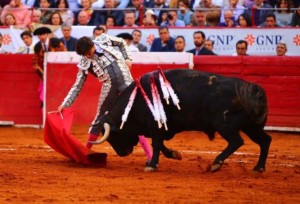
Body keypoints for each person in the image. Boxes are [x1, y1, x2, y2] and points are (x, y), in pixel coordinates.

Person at [57, 35, 152, 161]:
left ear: (92, 45)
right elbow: (77, 85)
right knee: (99, 118)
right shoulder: (85, 62)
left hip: (127, 83)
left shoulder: (103, 40)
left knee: (135, 117)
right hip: (109, 88)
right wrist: (65, 104)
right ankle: (86, 152)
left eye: (88, 52)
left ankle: (150, 157)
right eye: (84, 54)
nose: (88, 56)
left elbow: (122, 42)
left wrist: (128, 58)